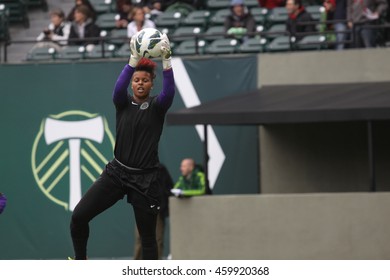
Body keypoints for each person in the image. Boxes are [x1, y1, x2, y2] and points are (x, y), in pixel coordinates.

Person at [69, 32, 174, 260]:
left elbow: (169, 92)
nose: (140, 83)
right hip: (117, 173)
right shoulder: (123, 103)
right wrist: (132, 61)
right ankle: (80, 264)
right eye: (136, 80)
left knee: (148, 239)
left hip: (146, 179)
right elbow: (118, 89)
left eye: (145, 80)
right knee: (78, 217)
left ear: (151, 84)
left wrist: (167, 61)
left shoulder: (158, 106)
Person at [133, 163, 173, 260]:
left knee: (157, 238)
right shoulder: (137, 169)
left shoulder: (160, 169)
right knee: (140, 238)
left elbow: (168, 187)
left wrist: (161, 205)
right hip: (142, 209)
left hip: (157, 210)